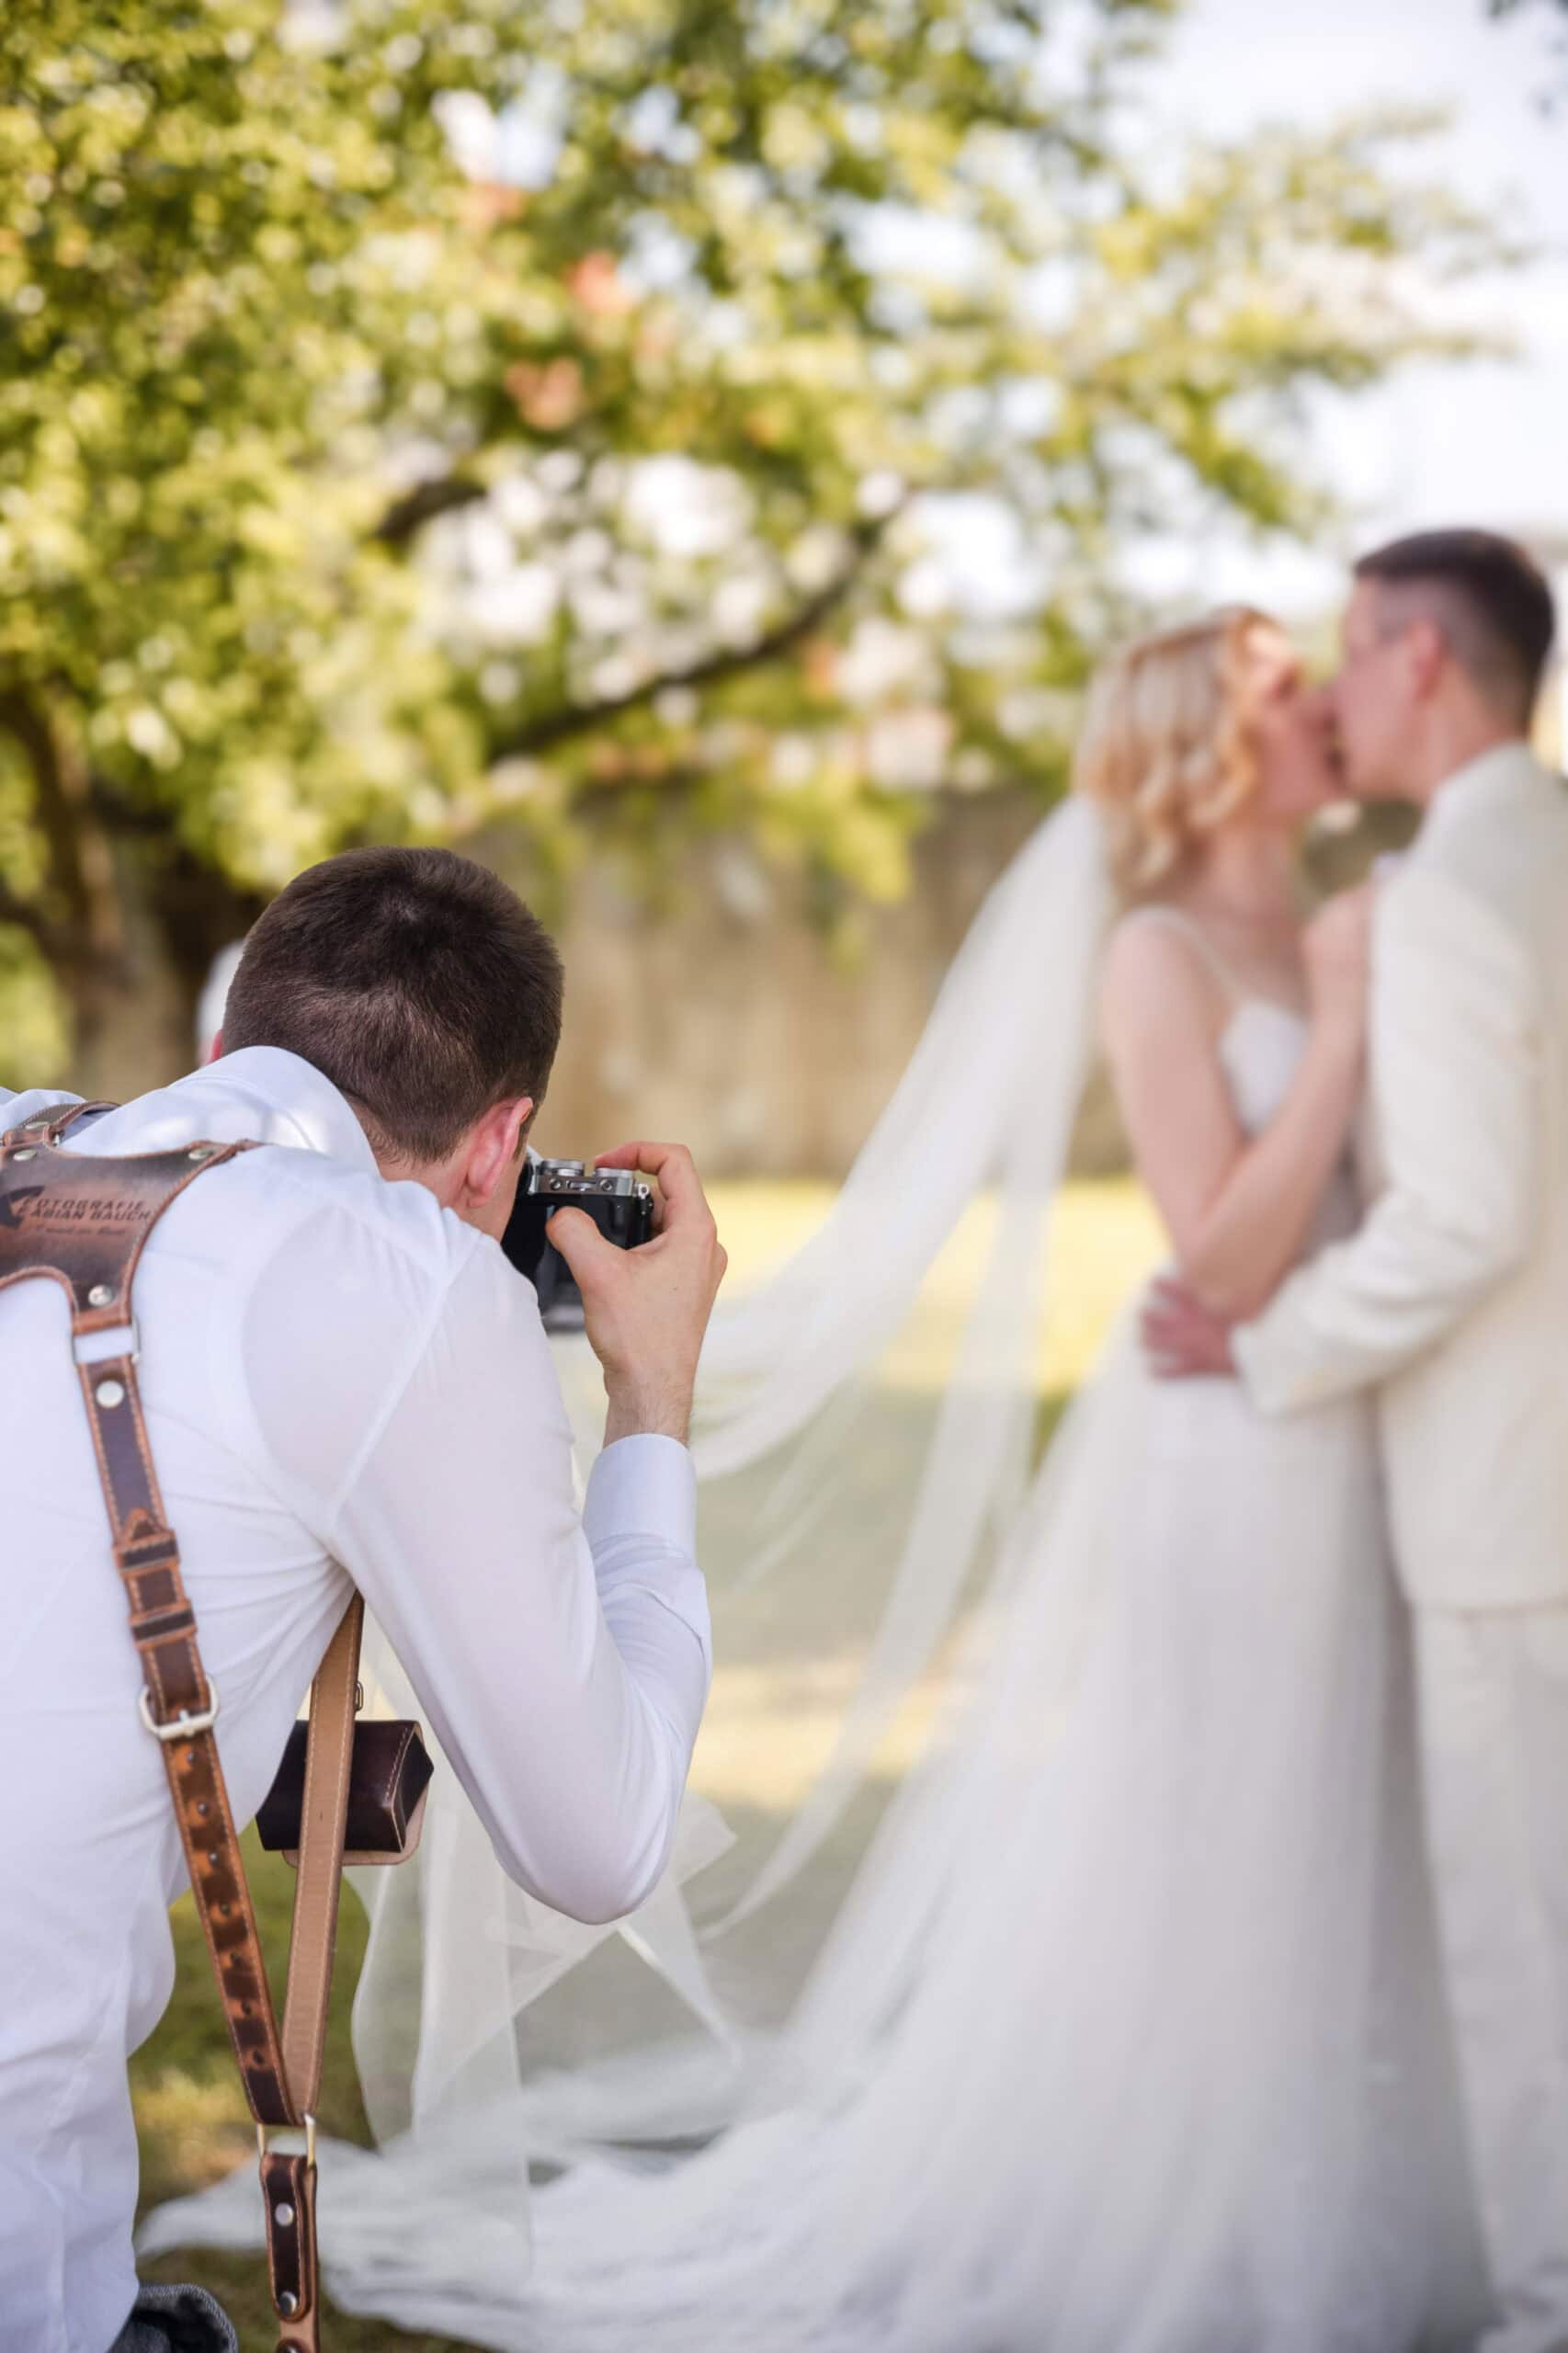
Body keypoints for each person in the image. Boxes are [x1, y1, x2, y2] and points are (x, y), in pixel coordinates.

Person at [227, 611, 1483, 2349]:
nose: (1325, 708)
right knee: (1245, 1826)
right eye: (1284, 686)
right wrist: (1343, 1028)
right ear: (1206, 736)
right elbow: (1222, 1258)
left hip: (1366, 1438)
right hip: (1231, 1443)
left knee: (1381, 1825)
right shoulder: (1169, 952)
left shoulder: (1376, 919)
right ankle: (1225, 2225)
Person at [0, 846, 726, 2353]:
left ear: (221, 1051)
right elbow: (598, 1839)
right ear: (502, 1145)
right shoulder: (402, 1283)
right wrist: (650, 1398)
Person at [1147, 529, 1568, 2353]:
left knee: (1522, 1951)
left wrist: (1273, 1345)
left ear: (1416, 656)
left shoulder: (1457, 888)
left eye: (1343, 652)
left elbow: (1464, 1216)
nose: (1326, 689)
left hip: (1504, 1508)